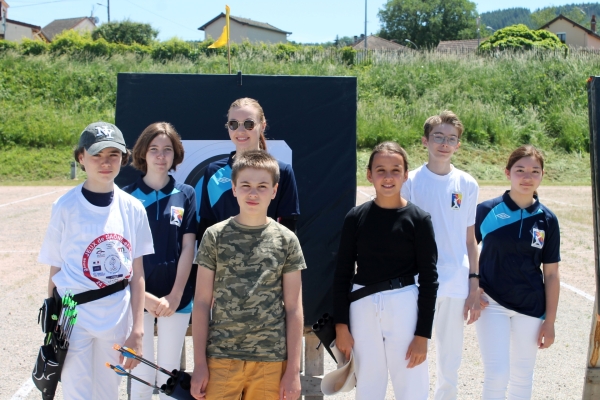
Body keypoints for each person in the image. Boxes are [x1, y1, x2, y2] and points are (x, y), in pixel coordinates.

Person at [38, 121, 154, 399]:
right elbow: (55, 268)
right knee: (77, 393)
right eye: (97, 155)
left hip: (115, 316)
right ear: (81, 158)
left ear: (123, 159)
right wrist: (54, 320)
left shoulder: (133, 208)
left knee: (108, 392)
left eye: (113, 155)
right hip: (73, 317)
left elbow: (137, 274)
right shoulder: (65, 206)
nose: (105, 163)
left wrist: (137, 330)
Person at [190, 150, 306, 400]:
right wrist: (199, 364)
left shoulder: (287, 240)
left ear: (275, 191)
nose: (253, 193)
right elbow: (200, 303)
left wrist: (293, 370)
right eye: (245, 185)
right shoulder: (214, 236)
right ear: (233, 188)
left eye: (262, 186)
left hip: (271, 361)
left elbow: (294, 308)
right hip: (221, 357)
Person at [334, 141, 438, 399]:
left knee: (411, 384)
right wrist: (341, 325)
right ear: (369, 174)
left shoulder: (419, 219)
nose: (388, 177)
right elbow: (342, 273)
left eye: (395, 170)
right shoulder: (355, 217)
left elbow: (429, 279)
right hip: (362, 306)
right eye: (380, 170)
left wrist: (422, 334)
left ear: (405, 174)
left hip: (403, 304)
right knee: (369, 384)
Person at [401, 110, 481, 400]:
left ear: (458, 145)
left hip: (456, 280)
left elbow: (470, 239)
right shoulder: (409, 181)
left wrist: (474, 280)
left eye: (451, 139)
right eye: (438, 137)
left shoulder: (468, 184)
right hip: (418, 280)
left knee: (450, 355)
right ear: (425, 141)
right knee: (413, 348)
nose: (444, 143)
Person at [475, 145, 560, 399]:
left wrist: (551, 322)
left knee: (523, 376)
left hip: (531, 306)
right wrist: (474, 286)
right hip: (492, 303)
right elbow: (465, 252)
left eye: (534, 171)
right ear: (507, 173)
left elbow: (552, 274)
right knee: (497, 373)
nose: (527, 177)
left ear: (542, 175)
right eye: (520, 170)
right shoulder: (486, 210)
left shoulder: (548, 219)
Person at [122, 122, 197, 399]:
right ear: (143, 153)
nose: (161, 156)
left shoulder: (186, 193)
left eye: (167, 150)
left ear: (175, 154)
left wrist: (176, 295)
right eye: (154, 149)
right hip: (137, 296)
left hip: (176, 298)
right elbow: (125, 254)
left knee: (168, 373)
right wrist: (145, 298)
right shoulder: (127, 196)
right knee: (140, 371)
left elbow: (189, 245)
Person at [196, 97, 299, 240]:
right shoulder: (213, 172)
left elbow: (288, 229)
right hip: (223, 260)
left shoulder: (282, 171)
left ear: (262, 126)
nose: (241, 130)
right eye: (233, 124)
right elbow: (206, 227)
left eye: (249, 124)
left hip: (266, 259)